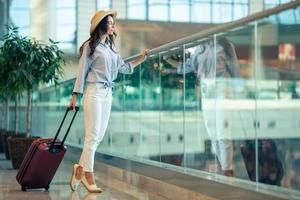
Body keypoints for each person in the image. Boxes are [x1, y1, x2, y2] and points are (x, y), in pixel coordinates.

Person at [69, 10, 149, 193]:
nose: (113, 25)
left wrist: (141, 59)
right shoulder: (90, 46)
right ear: (102, 25)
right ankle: (88, 176)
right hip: (93, 92)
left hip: (107, 93)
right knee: (92, 135)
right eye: (110, 22)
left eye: (114, 22)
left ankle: (79, 168)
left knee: (98, 136)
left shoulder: (112, 50)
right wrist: (75, 95)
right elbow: (81, 72)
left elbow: (125, 68)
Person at [165, 38, 239, 176]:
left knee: (223, 131)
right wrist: (167, 59)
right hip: (206, 92)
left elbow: (235, 71)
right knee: (212, 134)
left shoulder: (226, 44)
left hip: (223, 89)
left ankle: (227, 170)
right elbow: (187, 67)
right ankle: (225, 168)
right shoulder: (199, 47)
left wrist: (237, 93)